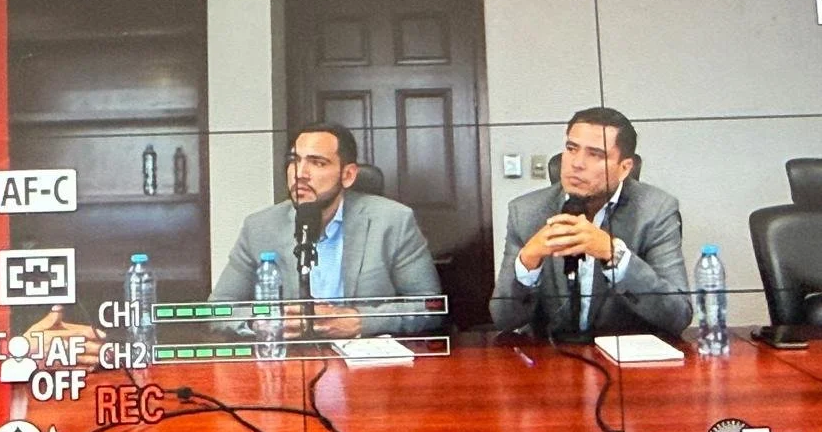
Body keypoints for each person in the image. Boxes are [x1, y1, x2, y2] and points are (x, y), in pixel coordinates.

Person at [209, 121, 442, 338]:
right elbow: (216, 309)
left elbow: (432, 307)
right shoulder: (260, 227)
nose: (300, 173)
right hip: (292, 358)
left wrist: (361, 321)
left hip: (364, 359)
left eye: (318, 163)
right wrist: (262, 320)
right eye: (294, 161)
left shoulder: (393, 221)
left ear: (348, 175)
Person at [491, 107, 691, 339]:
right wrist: (528, 260)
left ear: (624, 168)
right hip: (550, 356)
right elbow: (503, 319)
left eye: (595, 154)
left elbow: (678, 316)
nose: (577, 163)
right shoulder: (526, 212)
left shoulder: (655, 211)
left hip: (624, 355)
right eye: (571, 149)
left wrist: (615, 255)